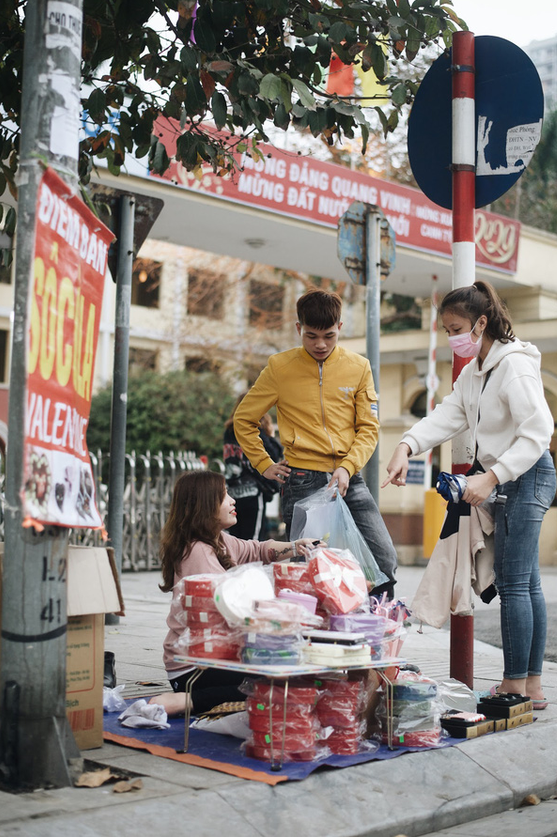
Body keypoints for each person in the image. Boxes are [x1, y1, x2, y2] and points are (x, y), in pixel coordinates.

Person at [381, 280, 556, 708]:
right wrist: (406, 445)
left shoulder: (513, 365)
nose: (451, 336)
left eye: (456, 327)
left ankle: (515, 686)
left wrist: (491, 477)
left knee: (515, 584)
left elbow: (538, 432)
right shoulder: (475, 372)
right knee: (527, 583)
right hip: (509, 477)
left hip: (528, 474)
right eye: (446, 329)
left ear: (481, 323)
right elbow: (447, 415)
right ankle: (531, 686)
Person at [233, 288, 397, 596]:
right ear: (299, 329)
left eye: (329, 336)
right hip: (301, 481)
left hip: (349, 479)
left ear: (340, 329)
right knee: (307, 570)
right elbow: (244, 418)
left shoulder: (359, 367)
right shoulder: (279, 367)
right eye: (311, 336)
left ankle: (375, 630)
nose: (320, 344)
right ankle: (309, 636)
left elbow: (369, 427)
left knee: (384, 559)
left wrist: (348, 467)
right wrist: (263, 464)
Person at [149, 469, 321, 716]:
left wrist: (296, 547)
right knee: (273, 680)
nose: (233, 501)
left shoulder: (219, 540)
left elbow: (258, 550)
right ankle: (187, 701)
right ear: (205, 504)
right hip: (193, 667)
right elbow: (229, 613)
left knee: (285, 670)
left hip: (218, 655)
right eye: (224, 496)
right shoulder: (198, 552)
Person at [223, 394, 283, 541]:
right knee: (252, 542)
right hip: (253, 494)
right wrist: (270, 434)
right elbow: (275, 454)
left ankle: (236, 565)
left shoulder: (229, 432)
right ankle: (249, 566)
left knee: (235, 541)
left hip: (233, 494)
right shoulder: (255, 432)